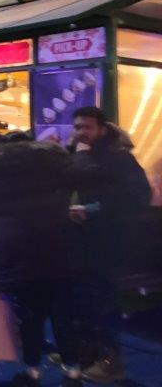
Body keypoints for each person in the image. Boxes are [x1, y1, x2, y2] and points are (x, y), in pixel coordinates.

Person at [0, 131, 82, 387]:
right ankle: (72, 372)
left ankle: (33, 370)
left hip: (19, 253)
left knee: (30, 317)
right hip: (59, 249)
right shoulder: (56, 171)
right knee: (64, 316)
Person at [68, 107, 151, 383]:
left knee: (104, 300)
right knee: (85, 299)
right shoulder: (85, 154)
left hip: (108, 241)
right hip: (87, 241)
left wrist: (90, 210)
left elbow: (135, 197)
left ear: (102, 128)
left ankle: (110, 360)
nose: (81, 132)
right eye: (78, 127)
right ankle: (90, 353)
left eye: (87, 127)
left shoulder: (118, 158)